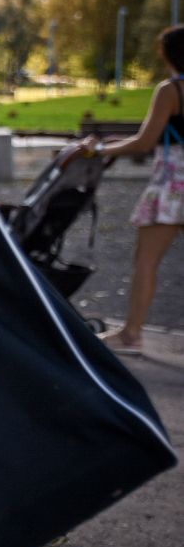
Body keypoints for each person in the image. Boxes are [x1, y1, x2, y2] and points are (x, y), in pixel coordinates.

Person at [89, 24, 184, 355]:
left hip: (174, 183)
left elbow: (145, 141)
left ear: (167, 55)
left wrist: (101, 150)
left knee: (146, 260)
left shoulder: (171, 90)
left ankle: (131, 335)